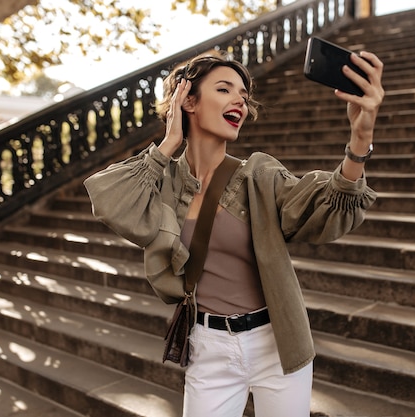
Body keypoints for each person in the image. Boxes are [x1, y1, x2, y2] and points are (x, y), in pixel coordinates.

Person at [84, 47, 384, 417]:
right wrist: (169, 143)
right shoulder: (162, 181)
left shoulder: (258, 174)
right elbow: (110, 202)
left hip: (275, 344)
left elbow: (325, 209)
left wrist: (359, 141)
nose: (239, 101)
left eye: (243, 95)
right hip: (206, 346)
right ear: (187, 100)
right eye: (224, 89)